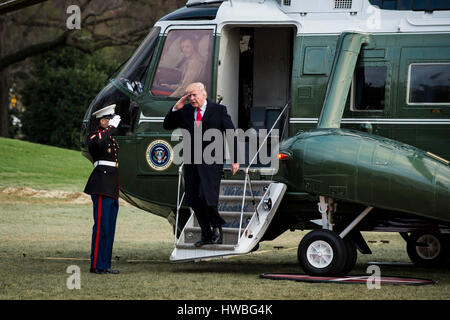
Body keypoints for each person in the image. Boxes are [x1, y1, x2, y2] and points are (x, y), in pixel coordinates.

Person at [163, 82, 239, 247]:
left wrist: (235, 159)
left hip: (212, 161)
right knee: (194, 200)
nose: (191, 98)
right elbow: (167, 125)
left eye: (194, 95)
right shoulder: (186, 111)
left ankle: (218, 230)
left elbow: (231, 133)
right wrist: (176, 107)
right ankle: (206, 234)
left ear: (203, 94)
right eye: (189, 95)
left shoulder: (219, 110)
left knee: (207, 197)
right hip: (191, 162)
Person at [84, 104, 121, 274]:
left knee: (110, 228)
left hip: (111, 186)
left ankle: (105, 264)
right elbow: (98, 142)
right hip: (101, 185)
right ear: (101, 121)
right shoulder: (94, 136)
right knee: (101, 227)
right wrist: (112, 127)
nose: (109, 121)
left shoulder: (109, 138)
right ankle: (96, 265)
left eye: (110, 118)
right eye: (106, 118)